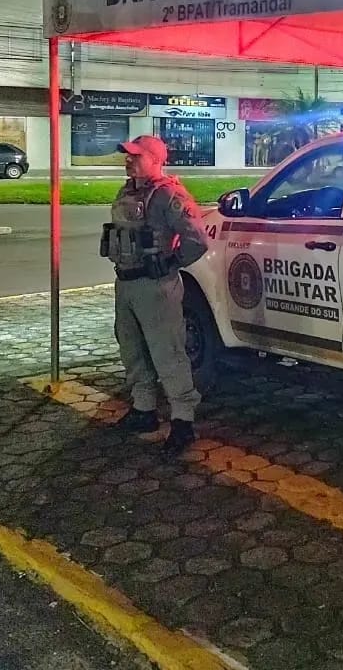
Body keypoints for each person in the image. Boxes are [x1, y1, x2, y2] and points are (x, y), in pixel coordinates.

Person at [100, 135, 209, 456]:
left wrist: (171, 262)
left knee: (168, 353)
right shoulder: (129, 190)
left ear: (155, 159)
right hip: (127, 283)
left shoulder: (168, 195)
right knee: (131, 349)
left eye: (135, 156)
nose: (128, 160)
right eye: (127, 156)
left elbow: (196, 239)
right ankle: (143, 410)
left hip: (156, 286)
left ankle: (183, 420)